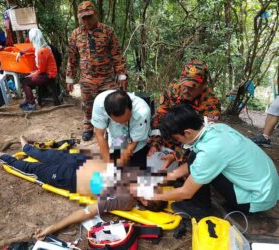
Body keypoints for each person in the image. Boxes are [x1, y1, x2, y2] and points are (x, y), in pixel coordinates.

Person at [0, 136, 167, 238]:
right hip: (81, 162)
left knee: (31, 168)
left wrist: (54, 227)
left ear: (143, 200)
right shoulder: (141, 176)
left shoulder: (124, 200)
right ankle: (26, 148)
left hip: (71, 178)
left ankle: (2, 156)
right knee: (47, 154)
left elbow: (89, 211)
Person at [151, 104, 279, 219]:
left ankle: (199, 208)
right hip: (265, 189)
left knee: (199, 165)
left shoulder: (210, 151)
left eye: (177, 138)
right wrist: (167, 176)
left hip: (256, 200)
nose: (178, 143)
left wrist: (153, 196)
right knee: (195, 157)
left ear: (187, 132)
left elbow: (186, 192)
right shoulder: (217, 128)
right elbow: (192, 162)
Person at [66, 1, 127, 141]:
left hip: (107, 78)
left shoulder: (108, 31)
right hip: (87, 78)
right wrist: (70, 79)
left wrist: (122, 76)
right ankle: (89, 126)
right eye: (83, 18)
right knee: (88, 104)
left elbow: (117, 55)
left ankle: (110, 128)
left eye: (89, 17)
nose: (86, 21)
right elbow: (72, 58)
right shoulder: (76, 34)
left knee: (112, 103)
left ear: (96, 14)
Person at [149, 59, 221, 167]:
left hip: (192, 147)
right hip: (169, 140)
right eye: (184, 85)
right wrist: (155, 143)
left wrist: (176, 156)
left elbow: (205, 137)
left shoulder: (211, 103)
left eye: (192, 87)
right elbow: (159, 119)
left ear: (204, 85)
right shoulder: (172, 91)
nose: (186, 90)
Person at [92, 89, 151, 169]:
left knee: (138, 169)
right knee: (113, 165)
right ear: (108, 114)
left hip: (138, 141)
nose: (123, 124)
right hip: (117, 138)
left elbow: (134, 142)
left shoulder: (142, 111)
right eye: (119, 122)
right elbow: (100, 135)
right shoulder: (99, 104)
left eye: (126, 120)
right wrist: (107, 161)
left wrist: (123, 158)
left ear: (131, 108)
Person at [17, 28, 59, 111]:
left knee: (25, 81)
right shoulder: (43, 46)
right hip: (48, 73)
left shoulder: (42, 51)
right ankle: (29, 99)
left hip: (48, 75)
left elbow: (41, 70)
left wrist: (31, 74)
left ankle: (31, 104)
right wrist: (21, 52)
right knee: (24, 78)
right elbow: (32, 49)